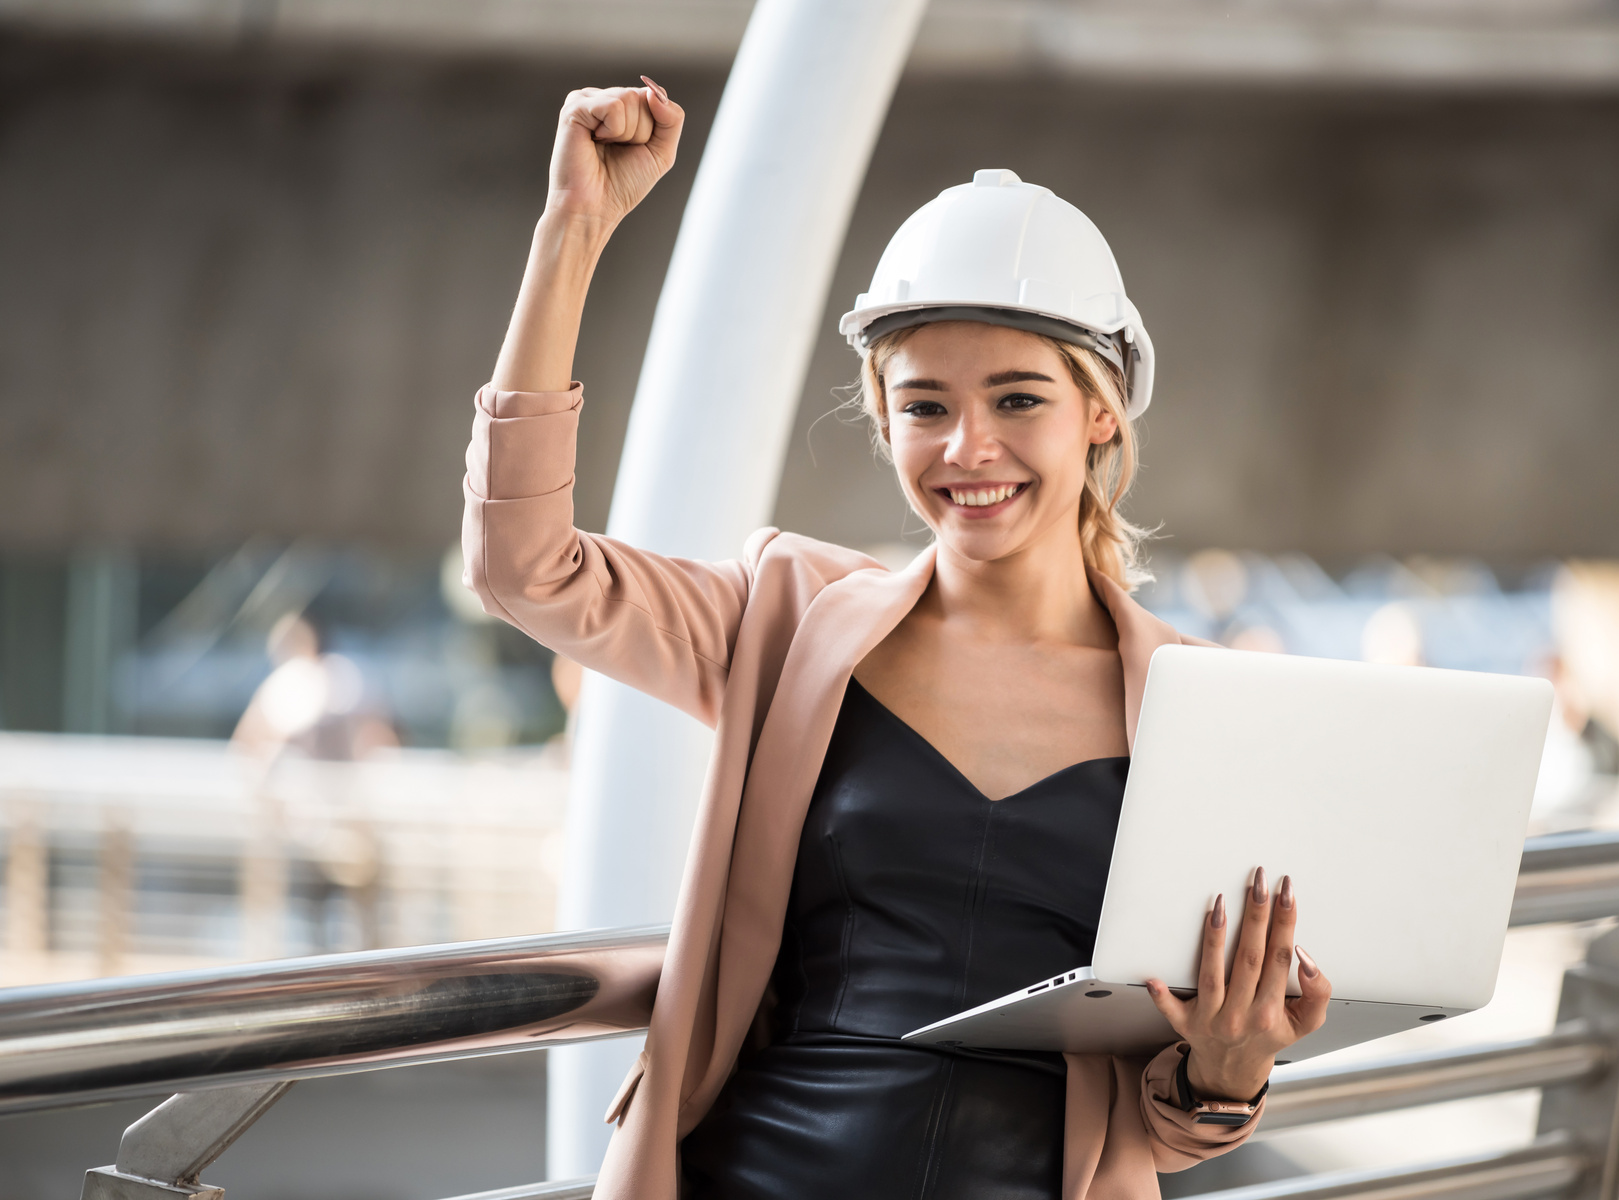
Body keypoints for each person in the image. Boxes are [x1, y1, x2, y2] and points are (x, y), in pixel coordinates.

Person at [462, 80, 1332, 1200]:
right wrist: (572, 230)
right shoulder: (785, 619)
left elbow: (1169, 1125)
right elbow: (523, 567)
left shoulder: (1196, 709)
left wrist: (1230, 1068)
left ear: (1101, 412)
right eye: (926, 407)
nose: (970, 447)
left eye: (1019, 400)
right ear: (883, 419)